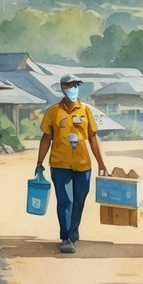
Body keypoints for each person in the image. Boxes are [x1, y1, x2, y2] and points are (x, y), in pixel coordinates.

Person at [34, 74, 107, 254]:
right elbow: (46, 138)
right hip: (60, 164)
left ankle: (73, 231)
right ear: (62, 88)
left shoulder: (85, 111)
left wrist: (101, 163)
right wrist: (39, 162)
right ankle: (65, 237)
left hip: (83, 165)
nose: (73, 89)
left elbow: (92, 137)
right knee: (65, 201)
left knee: (79, 200)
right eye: (70, 86)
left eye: (76, 85)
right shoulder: (53, 112)